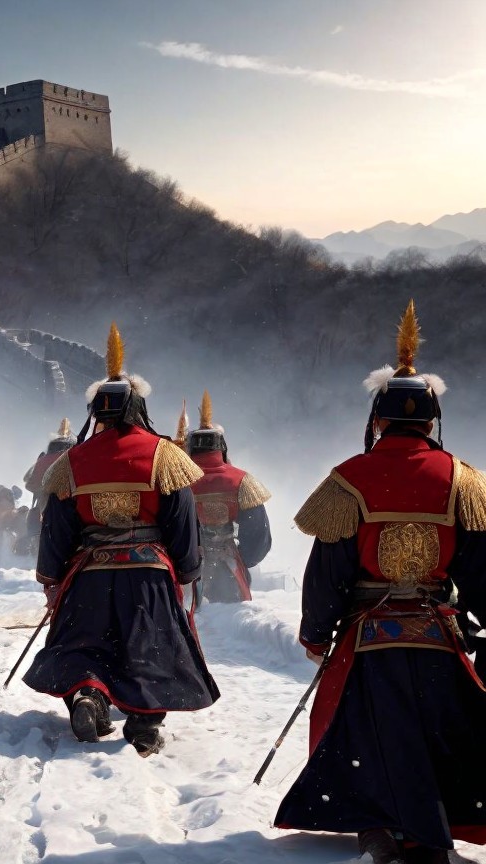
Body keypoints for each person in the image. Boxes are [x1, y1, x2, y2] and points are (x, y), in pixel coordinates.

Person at [274, 301, 486, 864]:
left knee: (362, 733)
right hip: (438, 635)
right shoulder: (464, 481)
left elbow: (329, 571)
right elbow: (481, 569)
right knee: (441, 732)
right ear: (432, 420)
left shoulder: (349, 480)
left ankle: (382, 822)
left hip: (369, 637)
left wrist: (318, 630)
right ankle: (428, 824)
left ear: (378, 418)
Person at [22, 322, 218, 756]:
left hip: (89, 573)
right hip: (147, 573)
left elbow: (56, 526)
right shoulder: (165, 454)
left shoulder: (71, 462)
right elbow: (182, 520)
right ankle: (145, 724)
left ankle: (91, 695)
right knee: (148, 647)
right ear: (139, 408)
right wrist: (188, 570)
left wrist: (51, 577)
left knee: (87, 642)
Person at [183, 391, 272, 604]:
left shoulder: (178, 481)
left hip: (188, 571)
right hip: (229, 572)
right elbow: (259, 535)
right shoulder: (242, 481)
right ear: (221, 446)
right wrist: (243, 559)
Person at [18, 418, 77, 555]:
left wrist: (44, 488)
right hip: (70, 499)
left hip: (46, 503)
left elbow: (29, 483)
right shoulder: (74, 456)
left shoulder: (43, 459)